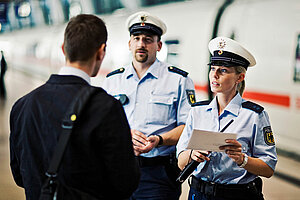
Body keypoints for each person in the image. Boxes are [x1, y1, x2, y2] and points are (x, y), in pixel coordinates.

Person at [10, 14, 140, 200]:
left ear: (64, 49)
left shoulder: (22, 106)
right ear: (101, 52)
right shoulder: (106, 107)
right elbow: (125, 182)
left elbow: (19, 174)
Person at [103, 11, 195, 200]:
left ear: (159, 45)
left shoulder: (178, 80)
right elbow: (103, 124)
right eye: (136, 38)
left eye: (148, 39)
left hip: (158, 175)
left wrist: (158, 140)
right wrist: (123, 135)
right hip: (118, 169)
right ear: (129, 44)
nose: (141, 44)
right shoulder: (113, 80)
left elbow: (188, 128)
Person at [176, 36, 277, 200]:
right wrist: (192, 154)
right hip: (198, 194)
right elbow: (181, 162)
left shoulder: (254, 116)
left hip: (237, 195)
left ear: (240, 77)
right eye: (213, 68)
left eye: (223, 70)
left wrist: (242, 159)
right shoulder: (197, 112)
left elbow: (268, 168)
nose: (214, 75)